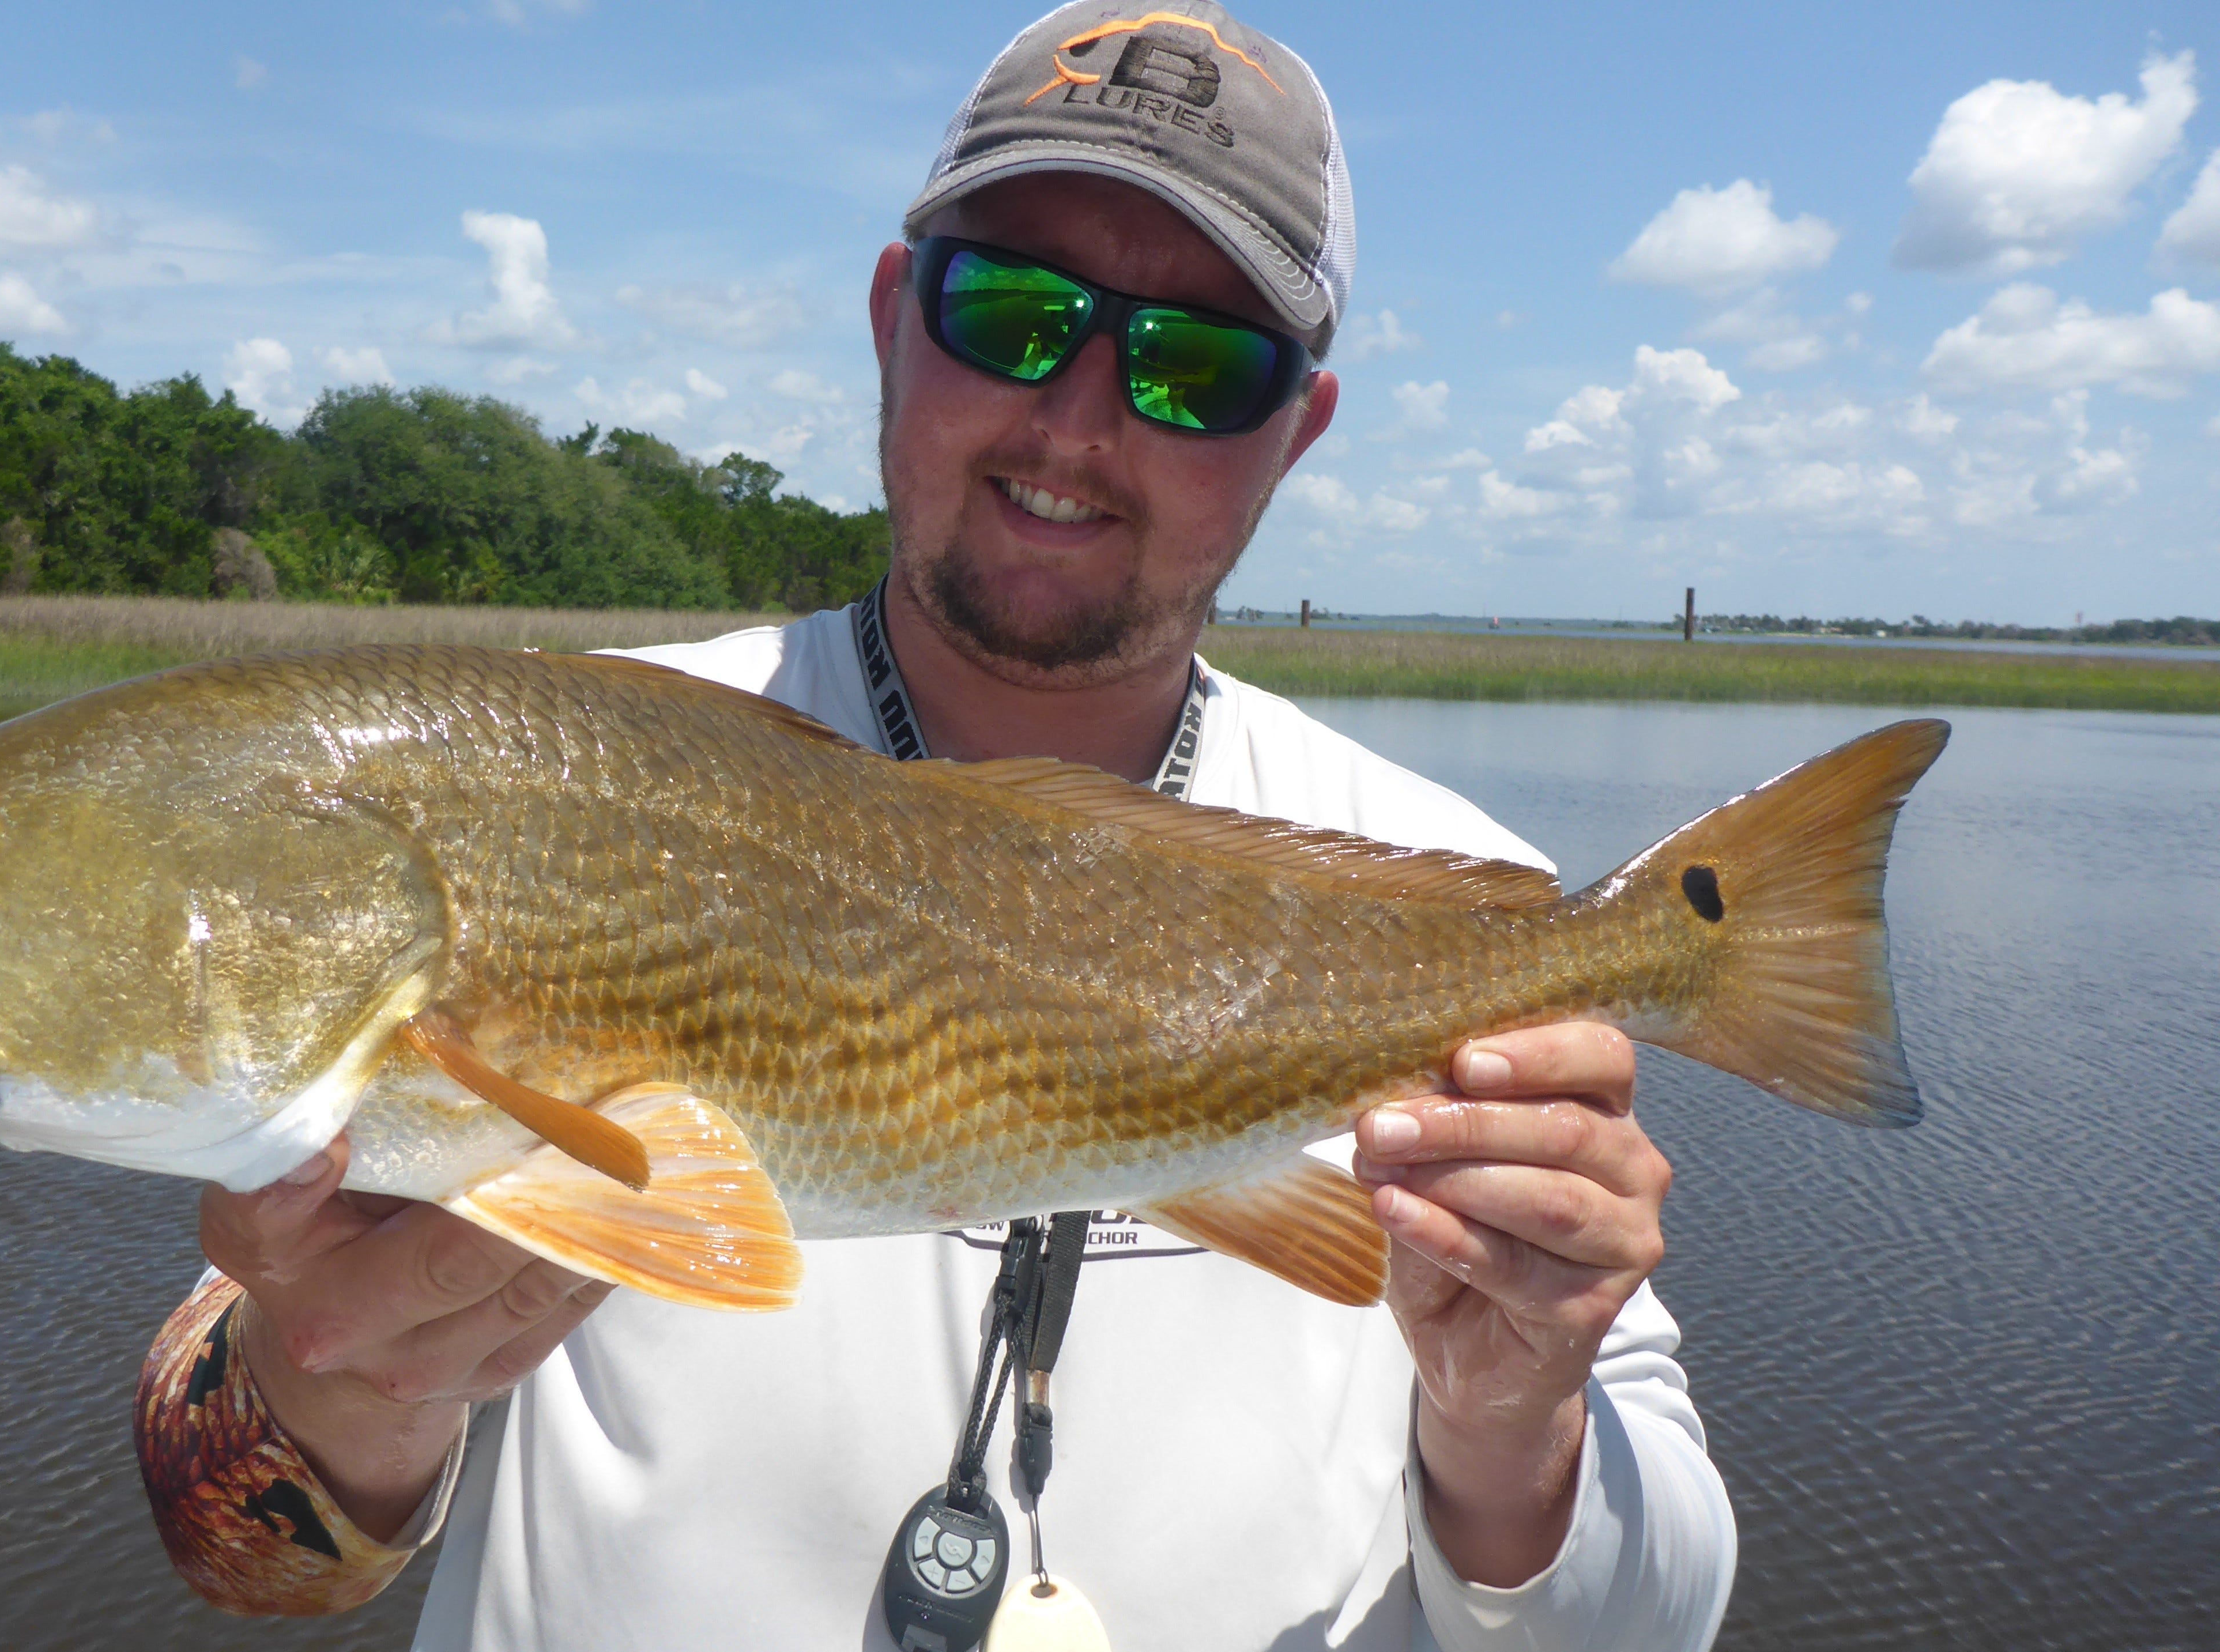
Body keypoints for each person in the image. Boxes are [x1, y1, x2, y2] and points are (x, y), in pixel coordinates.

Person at [134, 5, 1737, 1646]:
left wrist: (1511, 1432)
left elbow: (1662, 1616)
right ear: (899, 317)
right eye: (1014, 313)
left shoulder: (1447, 907)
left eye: (1199, 366)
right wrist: (352, 1392)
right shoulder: (553, 765)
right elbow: (241, 1554)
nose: (1077, 423)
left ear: (1297, 433)